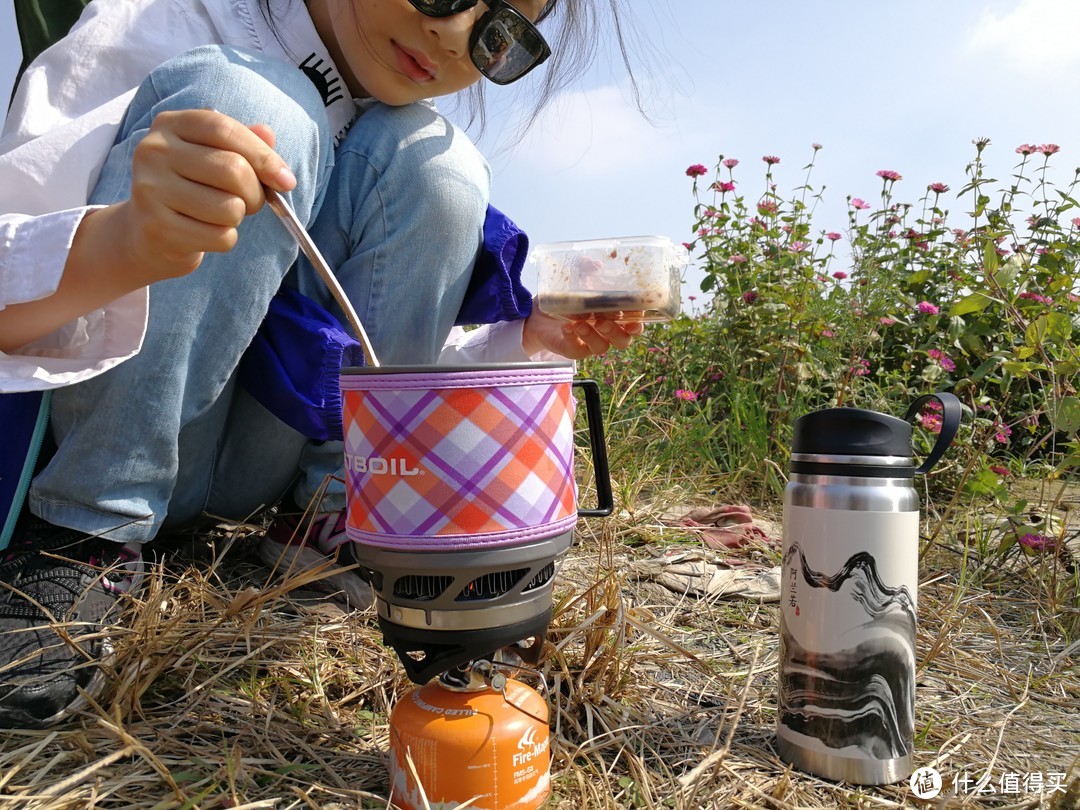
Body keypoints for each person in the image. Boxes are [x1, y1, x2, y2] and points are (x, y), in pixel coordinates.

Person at [0, 0, 643, 729]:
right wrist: (117, 241)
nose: (455, 37)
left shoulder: (390, 144)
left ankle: (327, 524)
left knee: (445, 170)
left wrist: (534, 334)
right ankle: (84, 536)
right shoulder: (166, 26)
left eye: (502, 36)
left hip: (253, 466)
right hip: (106, 431)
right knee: (255, 102)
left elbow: (370, 350)